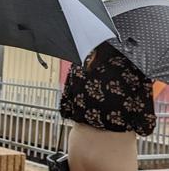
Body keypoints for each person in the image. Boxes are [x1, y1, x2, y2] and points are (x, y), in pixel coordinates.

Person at [60, 42, 156, 171]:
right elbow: (145, 127)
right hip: (115, 149)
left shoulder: (82, 60)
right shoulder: (135, 68)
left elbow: (65, 108)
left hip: (78, 144)